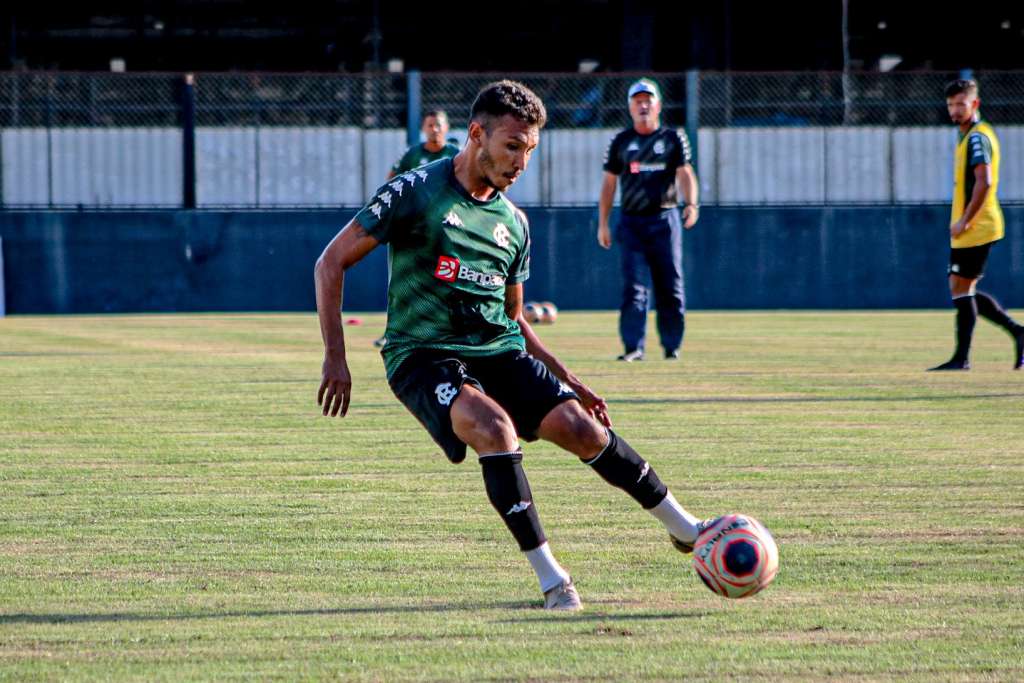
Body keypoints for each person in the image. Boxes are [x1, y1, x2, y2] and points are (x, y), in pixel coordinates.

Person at [315, 80, 712, 611]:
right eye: (511, 146)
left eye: (530, 149)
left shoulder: (513, 223)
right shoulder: (416, 192)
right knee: (494, 428)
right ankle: (553, 579)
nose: (521, 161)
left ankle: (686, 528)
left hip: (497, 350)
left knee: (582, 429)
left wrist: (568, 380)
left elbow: (513, 316)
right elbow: (329, 262)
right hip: (422, 353)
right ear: (476, 134)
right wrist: (336, 357)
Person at [598, 78, 700, 362]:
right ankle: (634, 348)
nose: (643, 105)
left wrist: (691, 204)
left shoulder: (672, 138)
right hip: (632, 223)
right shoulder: (621, 141)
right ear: (630, 107)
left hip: (665, 221)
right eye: (637, 101)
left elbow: (685, 174)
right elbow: (609, 184)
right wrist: (603, 223)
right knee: (634, 288)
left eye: (648, 100)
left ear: (658, 106)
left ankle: (671, 347)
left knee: (671, 286)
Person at [928, 79, 1024, 371]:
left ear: (975, 104)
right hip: (973, 226)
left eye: (960, 104)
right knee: (960, 287)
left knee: (960, 287)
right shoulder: (967, 135)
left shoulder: (977, 137)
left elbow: (985, 181)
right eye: (951, 104)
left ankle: (962, 358)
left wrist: (965, 221)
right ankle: (1016, 333)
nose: (954, 110)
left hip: (977, 226)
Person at [374, 110, 462, 348]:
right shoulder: (413, 154)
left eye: (439, 125)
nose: (434, 129)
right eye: (430, 125)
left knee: (449, 275)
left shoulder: (455, 154)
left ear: (446, 128)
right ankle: (394, 333)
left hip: (447, 227)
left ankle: (449, 330)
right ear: (424, 128)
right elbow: (391, 181)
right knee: (401, 280)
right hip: (412, 228)